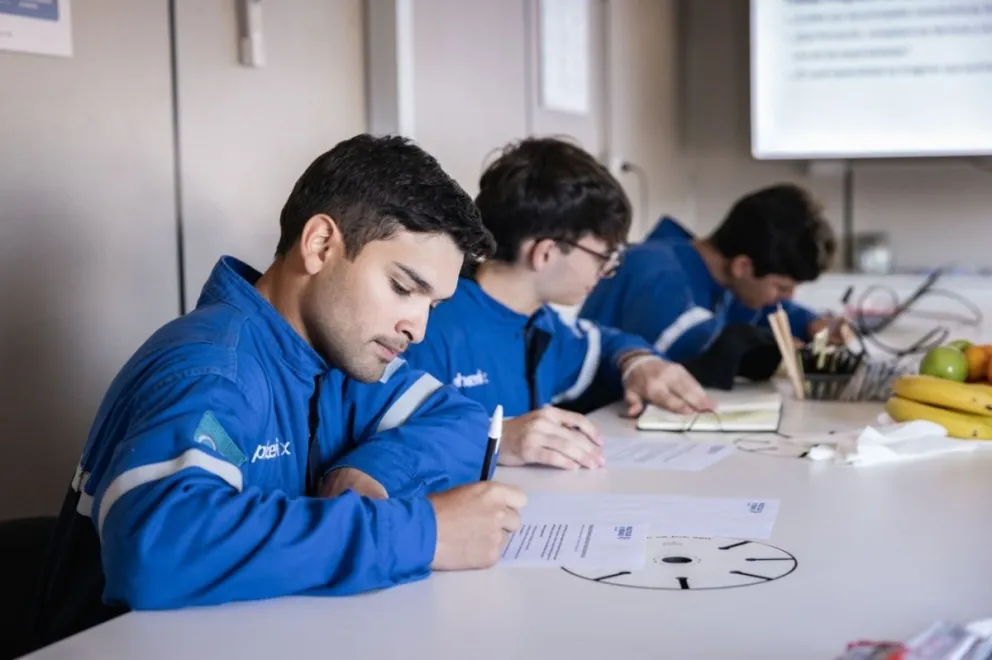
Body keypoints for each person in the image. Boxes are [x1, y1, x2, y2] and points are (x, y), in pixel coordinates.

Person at [30, 134, 527, 648]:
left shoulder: (334, 357)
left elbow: (462, 420)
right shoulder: (213, 367)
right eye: (403, 288)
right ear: (320, 246)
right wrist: (424, 533)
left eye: (433, 305)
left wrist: (372, 471)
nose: (417, 329)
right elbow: (157, 547)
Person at [402, 137, 712, 472]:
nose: (607, 271)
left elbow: (606, 344)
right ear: (546, 252)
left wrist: (638, 363)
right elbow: (387, 446)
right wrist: (493, 439)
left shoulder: (541, 322)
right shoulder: (431, 325)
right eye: (602, 257)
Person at [579, 184, 839, 388]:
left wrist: (812, 324)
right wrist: (774, 348)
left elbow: (766, 312)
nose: (784, 298)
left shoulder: (719, 279)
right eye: (781, 288)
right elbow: (700, 348)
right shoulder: (658, 271)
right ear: (743, 267)